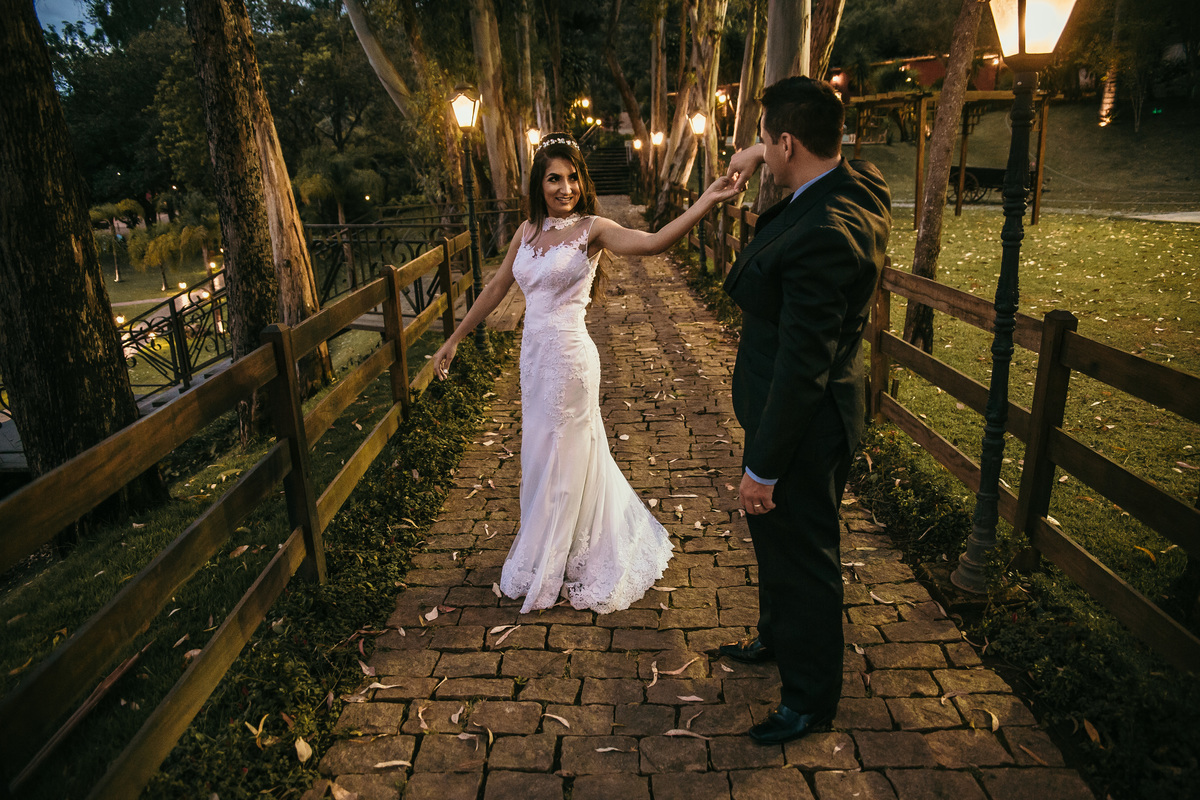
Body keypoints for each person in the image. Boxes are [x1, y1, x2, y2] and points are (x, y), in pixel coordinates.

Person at [432, 133, 741, 614]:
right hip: (534, 361)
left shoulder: (592, 229)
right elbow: (495, 288)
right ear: (539, 183)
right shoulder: (526, 232)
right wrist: (453, 339)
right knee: (539, 454)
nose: (565, 187)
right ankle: (556, 544)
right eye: (554, 178)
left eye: (573, 177)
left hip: (572, 360)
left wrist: (706, 199)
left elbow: (655, 242)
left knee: (564, 458)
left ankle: (556, 562)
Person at [716, 76, 892, 744]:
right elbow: (795, 151)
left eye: (767, 140)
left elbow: (801, 368)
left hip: (802, 427)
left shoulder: (823, 233)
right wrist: (756, 156)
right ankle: (775, 636)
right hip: (792, 415)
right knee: (778, 544)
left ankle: (810, 698)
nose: (761, 150)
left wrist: (761, 468)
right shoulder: (857, 183)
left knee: (804, 555)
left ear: (790, 142)